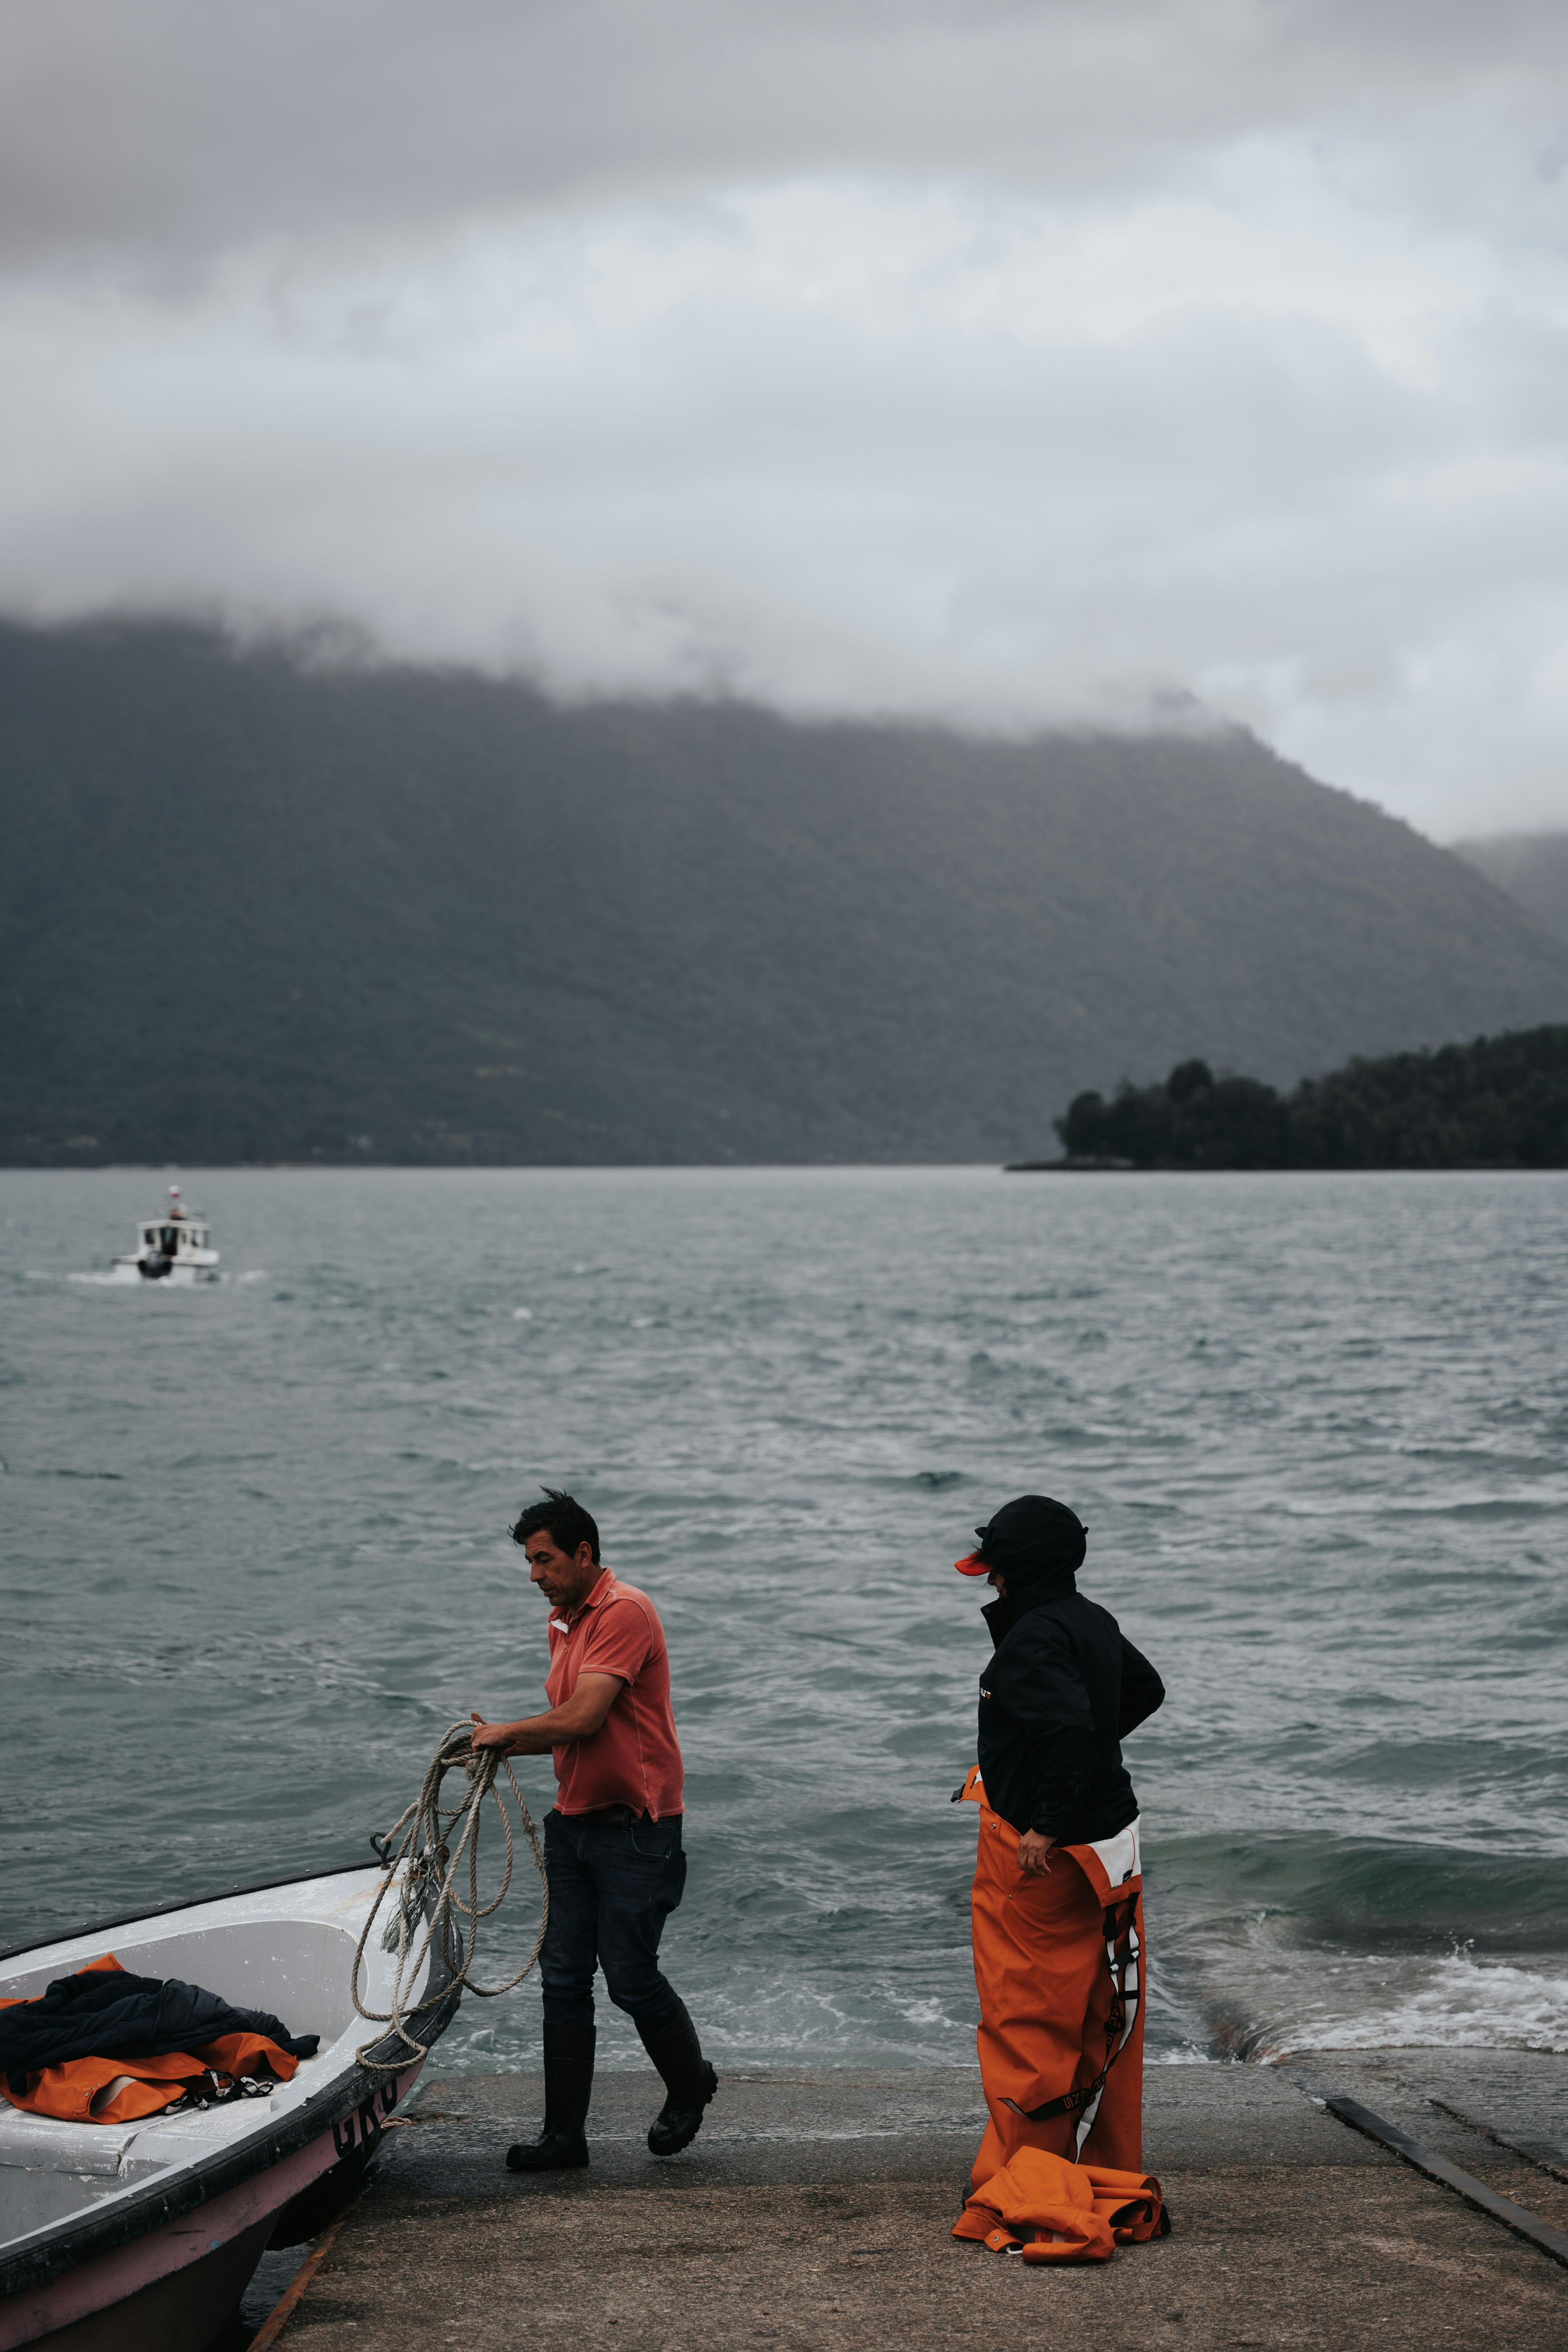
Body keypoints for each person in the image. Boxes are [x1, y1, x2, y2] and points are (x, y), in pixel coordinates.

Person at [470, 1488, 716, 2172]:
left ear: (584, 1554)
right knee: (564, 1977)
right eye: (528, 1561)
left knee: (630, 1979)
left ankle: (690, 2085)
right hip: (575, 1822)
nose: (533, 1574)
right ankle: (563, 2139)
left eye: (543, 1559)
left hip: (638, 1828)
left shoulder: (624, 1611)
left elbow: (582, 1720)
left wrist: (507, 1732)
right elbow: (572, 1735)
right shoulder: (565, 1621)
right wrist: (495, 1747)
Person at [953, 1493, 1164, 2192]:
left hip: (1046, 1860)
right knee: (1100, 2012)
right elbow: (1144, 1689)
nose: (988, 1581)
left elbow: (1068, 1733)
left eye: (994, 1569)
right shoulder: (1089, 1619)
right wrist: (1091, 1763)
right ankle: (1102, 2173)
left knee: (1028, 2015)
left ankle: (1029, 2185)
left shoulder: (1034, 1637)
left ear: (1013, 1570)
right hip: (1112, 1846)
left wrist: (1046, 1820)